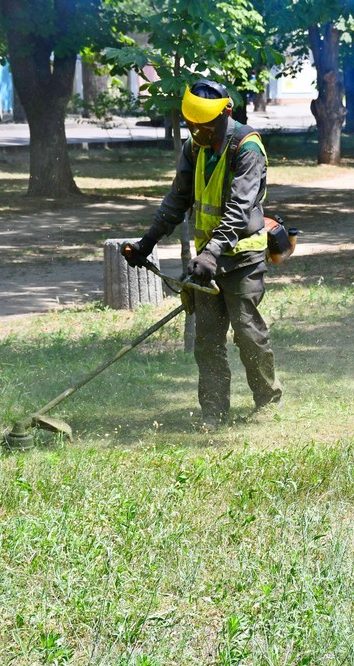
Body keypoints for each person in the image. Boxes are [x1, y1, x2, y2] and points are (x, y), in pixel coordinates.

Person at [122, 78, 282, 429]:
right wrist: (146, 243)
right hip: (206, 263)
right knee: (206, 342)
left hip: (242, 259)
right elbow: (177, 199)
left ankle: (267, 400)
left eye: (205, 125)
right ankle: (213, 412)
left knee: (247, 333)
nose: (198, 132)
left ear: (226, 113)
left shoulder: (247, 148)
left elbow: (239, 210)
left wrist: (211, 253)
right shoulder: (195, 146)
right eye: (192, 125)